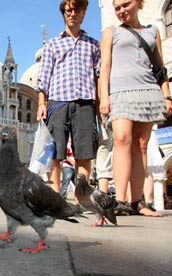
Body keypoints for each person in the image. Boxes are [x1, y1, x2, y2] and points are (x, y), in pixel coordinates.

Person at [99, 0, 171, 216]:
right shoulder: (110, 32)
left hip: (148, 90)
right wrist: (104, 97)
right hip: (120, 91)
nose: (121, 11)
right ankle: (120, 200)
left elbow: (160, 67)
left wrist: (167, 96)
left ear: (139, 3)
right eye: (117, 7)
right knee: (121, 138)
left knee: (141, 145)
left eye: (125, 5)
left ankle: (137, 202)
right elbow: (105, 66)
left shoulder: (153, 32)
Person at [36, 0, 100, 194]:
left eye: (77, 9)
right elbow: (44, 76)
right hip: (58, 101)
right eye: (68, 10)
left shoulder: (93, 45)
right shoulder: (53, 44)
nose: (72, 13)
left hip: (85, 102)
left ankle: (82, 195)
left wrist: (99, 104)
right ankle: (55, 195)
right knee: (55, 150)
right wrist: (41, 102)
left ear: (83, 13)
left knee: (84, 151)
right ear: (63, 14)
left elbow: (98, 76)